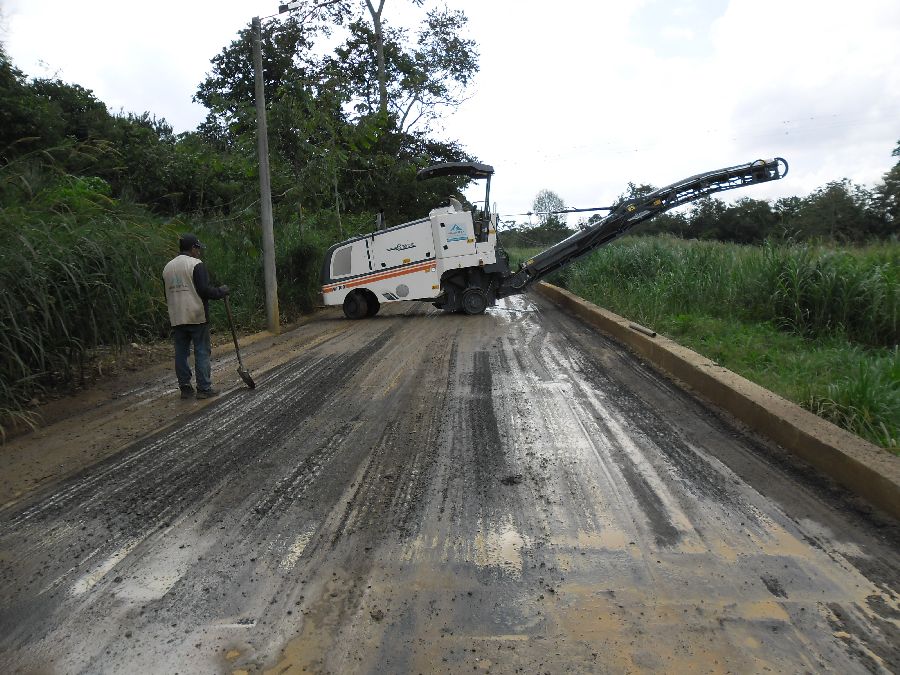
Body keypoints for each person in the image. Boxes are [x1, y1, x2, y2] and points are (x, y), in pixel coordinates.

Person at [162, 234, 229, 399]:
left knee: (181, 352)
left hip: (177, 316)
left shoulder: (167, 268)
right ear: (193, 248)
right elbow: (204, 291)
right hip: (196, 315)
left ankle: (185, 388)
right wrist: (221, 291)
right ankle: (204, 388)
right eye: (198, 249)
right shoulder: (196, 265)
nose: (199, 252)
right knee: (201, 350)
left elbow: (167, 294)